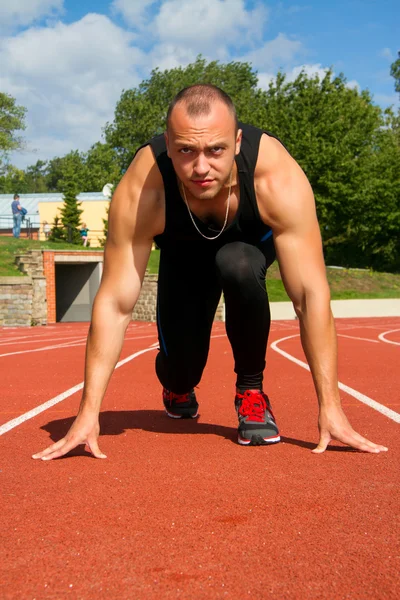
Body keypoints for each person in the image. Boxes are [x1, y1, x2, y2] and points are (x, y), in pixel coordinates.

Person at [33, 84, 388, 461]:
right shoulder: (143, 189)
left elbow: (310, 296)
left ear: (236, 142)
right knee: (181, 371)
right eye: (186, 150)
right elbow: (115, 303)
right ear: (168, 144)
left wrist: (331, 406)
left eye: (215, 150)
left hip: (245, 253)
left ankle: (251, 392)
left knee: (240, 263)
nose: (201, 167)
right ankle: (176, 383)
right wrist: (88, 413)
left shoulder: (276, 178)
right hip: (181, 257)